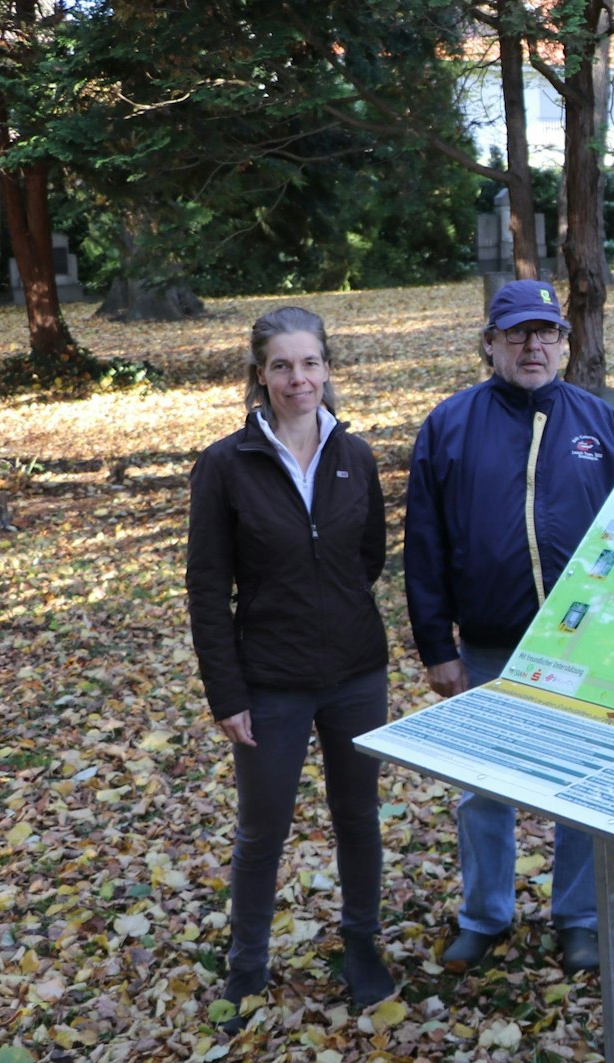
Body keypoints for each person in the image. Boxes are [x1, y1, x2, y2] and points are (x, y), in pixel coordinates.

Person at [405, 279, 614, 974]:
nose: (533, 345)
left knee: (582, 783)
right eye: (516, 333)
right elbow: (423, 543)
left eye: (546, 333)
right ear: (489, 344)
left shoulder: (603, 426)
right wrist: (435, 646)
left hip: (587, 648)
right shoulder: (449, 426)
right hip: (489, 644)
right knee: (484, 787)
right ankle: (485, 915)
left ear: (564, 344)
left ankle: (579, 915)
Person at [186, 308, 395, 1026]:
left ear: (327, 368)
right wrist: (227, 692)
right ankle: (247, 963)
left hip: (357, 674)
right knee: (261, 829)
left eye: (309, 363)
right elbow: (207, 588)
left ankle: (362, 946)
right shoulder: (224, 465)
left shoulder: (355, 455)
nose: (297, 379)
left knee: (358, 818)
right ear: (260, 374)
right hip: (269, 683)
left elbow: (370, 555)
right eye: (281, 366)